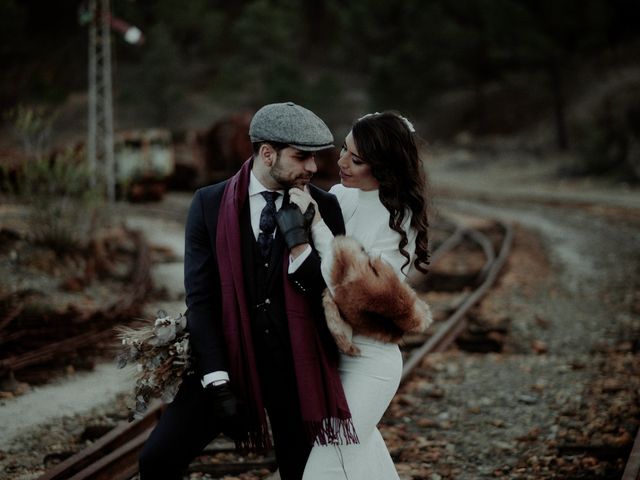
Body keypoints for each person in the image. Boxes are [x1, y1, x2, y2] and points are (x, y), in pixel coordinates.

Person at [138, 102, 358, 480]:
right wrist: (218, 382)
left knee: (305, 474)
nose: (313, 168)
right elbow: (201, 301)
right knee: (157, 460)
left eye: (316, 157)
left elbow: (333, 296)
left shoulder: (324, 206)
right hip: (231, 360)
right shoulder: (208, 204)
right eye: (302, 157)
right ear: (267, 153)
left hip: (298, 367)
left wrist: (299, 243)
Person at [287, 111, 431, 479]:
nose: (342, 162)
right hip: (333, 357)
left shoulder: (399, 217)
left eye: (357, 159)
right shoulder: (339, 195)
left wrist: (316, 226)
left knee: (324, 468)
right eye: (343, 150)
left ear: (383, 167)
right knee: (365, 466)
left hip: (371, 361)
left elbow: (354, 289)